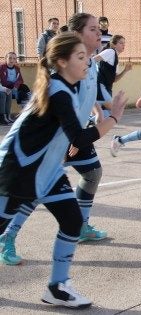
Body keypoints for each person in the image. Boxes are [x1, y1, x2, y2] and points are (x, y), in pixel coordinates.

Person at [0, 32, 127, 308]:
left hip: (46, 172)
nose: (87, 62)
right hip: (18, 172)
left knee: (71, 221)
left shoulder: (66, 88)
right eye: (80, 57)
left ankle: (57, 288)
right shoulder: (57, 91)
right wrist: (114, 118)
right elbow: (79, 140)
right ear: (61, 62)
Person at [0, 13, 109, 267]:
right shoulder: (62, 71)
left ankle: (76, 227)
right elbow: (59, 104)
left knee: (82, 176)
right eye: (93, 29)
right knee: (39, 187)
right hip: (60, 139)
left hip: (71, 136)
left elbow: (83, 95)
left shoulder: (89, 64)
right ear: (77, 36)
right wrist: (76, 137)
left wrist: (97, 110)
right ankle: (10, 235)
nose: (99, 34)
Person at [94, 35, 132, 118]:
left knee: (106, 115)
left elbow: (114, 79)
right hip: (100, 86)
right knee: (113, 110)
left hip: (107, 88)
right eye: (121, 43)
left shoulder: (115, 58)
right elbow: (93, 60)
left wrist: (125, 70)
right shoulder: (110, 52)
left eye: (124, 43)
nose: (123, 45)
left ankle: (90, 123)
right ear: (114, 44)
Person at [0, 52, 31, 122]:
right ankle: (25, 113)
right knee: (22, 92)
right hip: (6, 87)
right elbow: (3, 81)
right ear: (6, 59)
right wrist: (12, 86)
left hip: (14, 88)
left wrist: (15, 85)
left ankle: (26, 112)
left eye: (14, 58)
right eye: (10, 58)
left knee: (24, 88)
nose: (12, 60)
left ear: (16, 60)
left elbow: (20, 80)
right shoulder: (2, 67)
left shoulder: (17, 68)